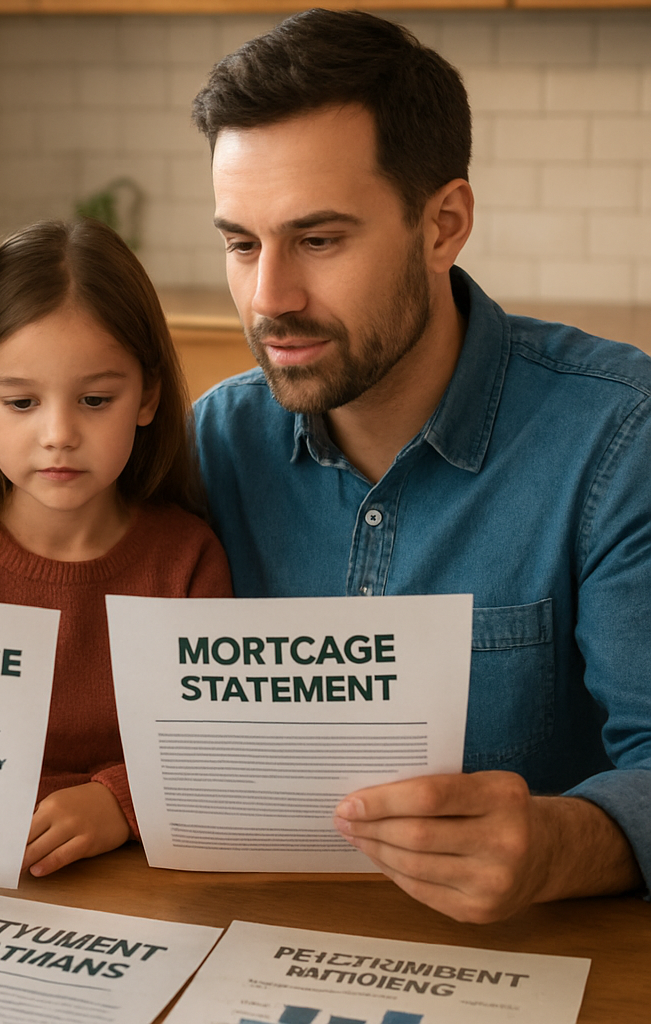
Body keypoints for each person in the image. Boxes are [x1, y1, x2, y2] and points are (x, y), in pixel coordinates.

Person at [190, 10, 650, 923]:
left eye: (319, 240)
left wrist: (561, 843)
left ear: (444, 225)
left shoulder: (619, 438)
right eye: (242, 244)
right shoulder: (210, 445)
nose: (268, 299)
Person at [0, 218, 232, 877]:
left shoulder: (188, 558)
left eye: (96, 399)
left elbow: (209, 748)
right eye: (20, 402)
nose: (59, 434)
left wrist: (117, 804)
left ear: (147, 396)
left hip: (148, 880)